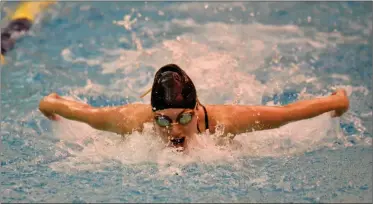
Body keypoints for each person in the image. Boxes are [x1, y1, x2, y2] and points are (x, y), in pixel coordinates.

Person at [39, 64, 350, 151]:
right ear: (153, 115)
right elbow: (81, 111)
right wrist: (49, 105)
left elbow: (288, 114)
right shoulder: (130, 121)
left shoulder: (225, 121)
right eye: (163, 121)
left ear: (197, 109)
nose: (174, 129)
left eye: (184, 117)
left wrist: (336, 101)